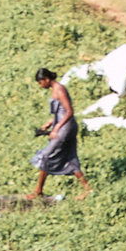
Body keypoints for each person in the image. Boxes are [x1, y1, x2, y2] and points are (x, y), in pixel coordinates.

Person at [28, 68, 91, 200]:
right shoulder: (55, 89)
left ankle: (38, 190)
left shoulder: (59, 89)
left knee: (45, 156)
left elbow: (69, 111)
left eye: (40, 82)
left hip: (65, 128)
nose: (41, 85)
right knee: (70, 157)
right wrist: (50, 123)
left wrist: (56, 128)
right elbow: (60, 112)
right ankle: (88, 189)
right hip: (65, 126)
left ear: (46, 79)